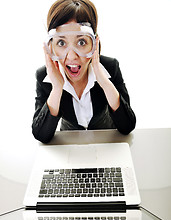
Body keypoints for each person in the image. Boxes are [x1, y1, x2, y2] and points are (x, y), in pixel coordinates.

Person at [32, 0, 136, 143]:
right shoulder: (44, 76)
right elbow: (41, 136)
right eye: (61, 43)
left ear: (94, 44)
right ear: (51, 47)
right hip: (70, 147)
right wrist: (57, 89)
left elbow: (127, 126)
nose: (72, 56)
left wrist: (104, 81)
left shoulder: (110, 67)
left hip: (106, 143)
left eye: (81, 42)